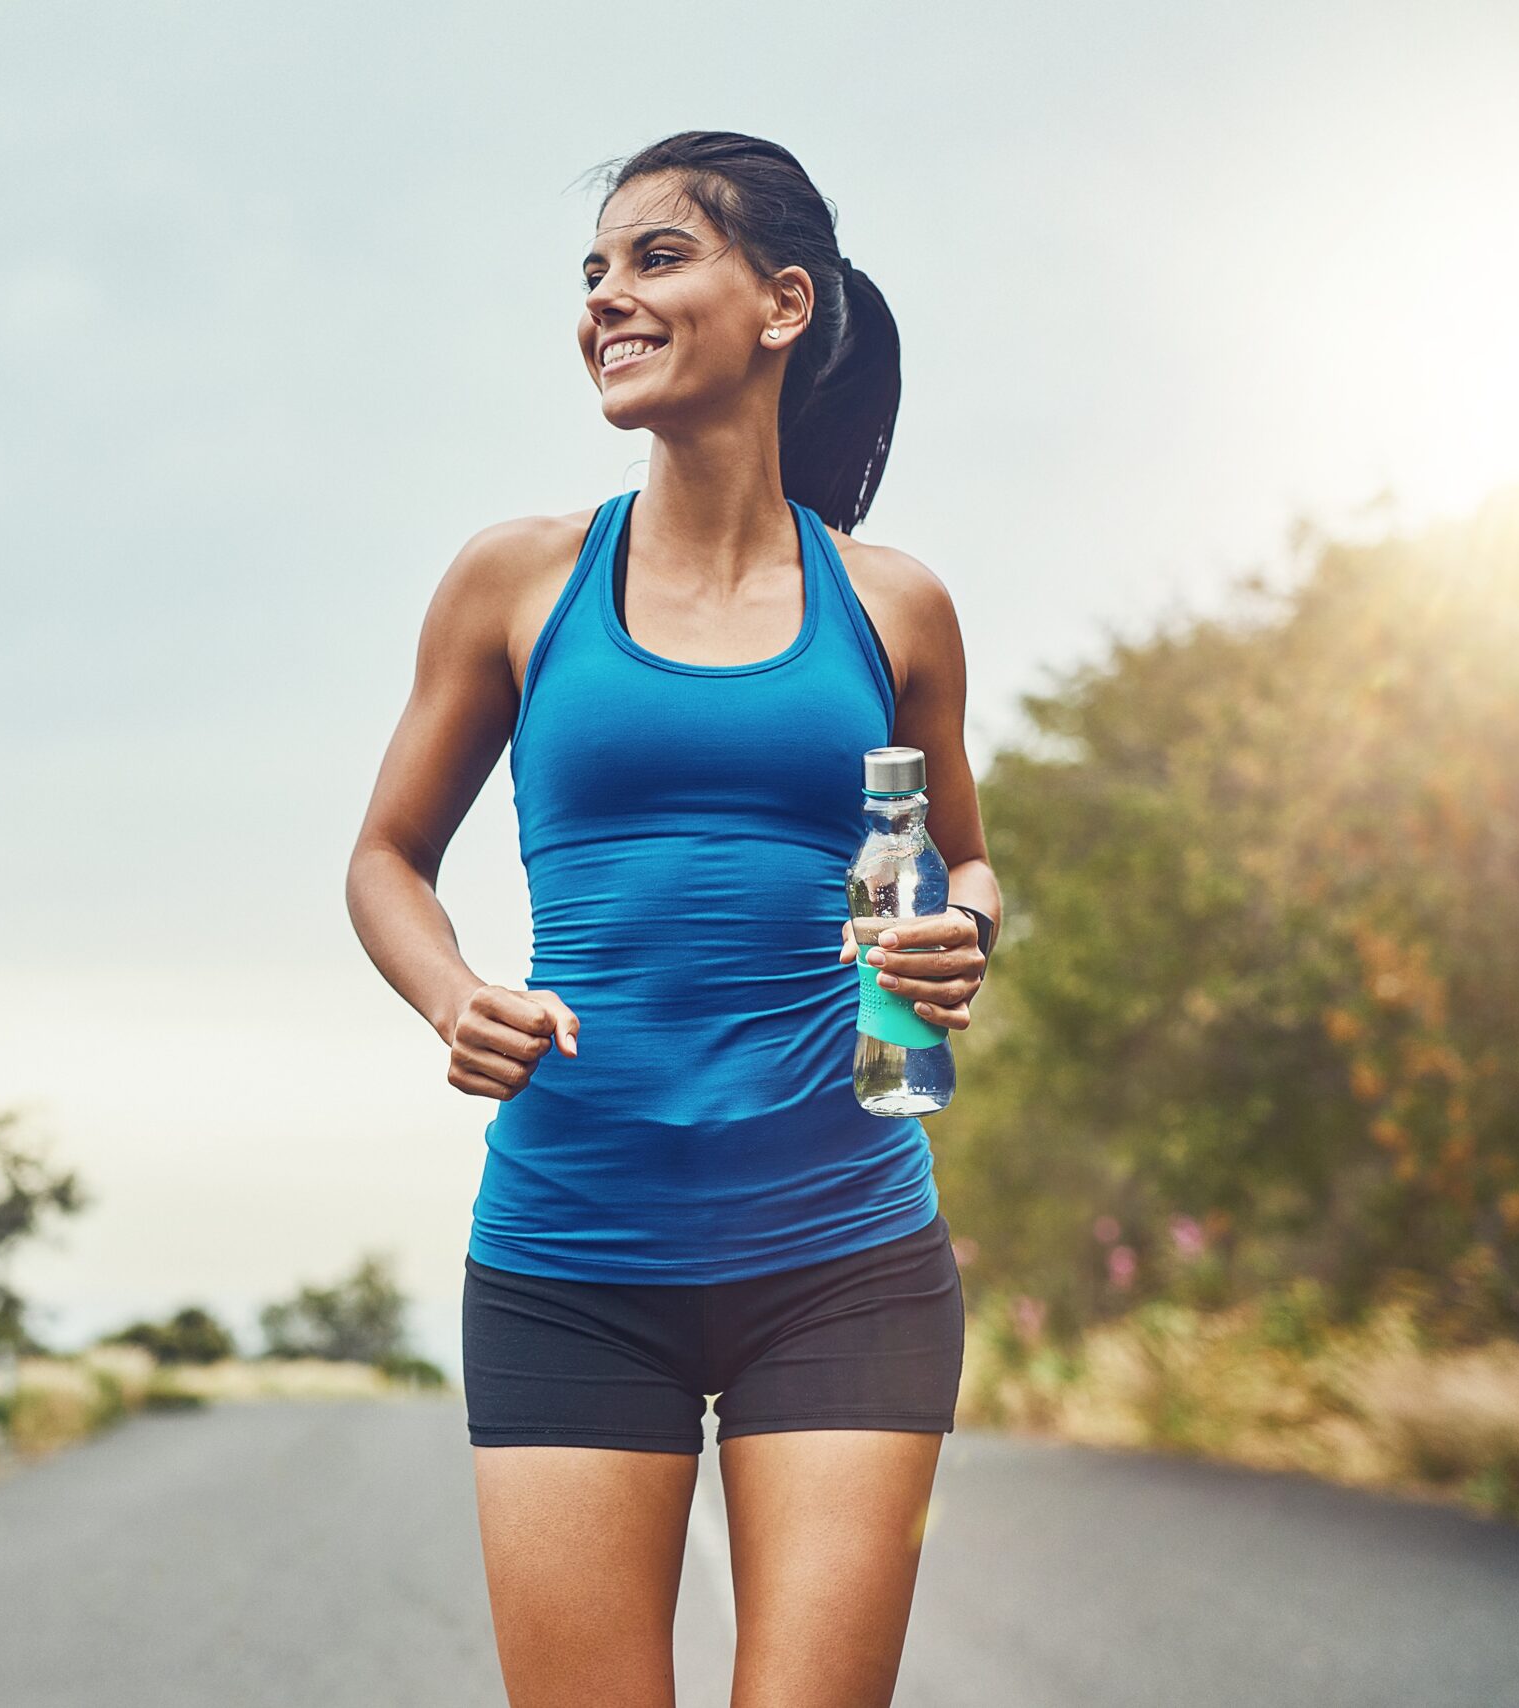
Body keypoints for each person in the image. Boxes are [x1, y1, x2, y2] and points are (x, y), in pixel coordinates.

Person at [344, 129, 1002, 1708]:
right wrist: (453, 997)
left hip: (845, 1251)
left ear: (782, 304)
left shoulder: (892, 605)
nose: (606, 300)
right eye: (592, 272)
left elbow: (971, 863)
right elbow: (384, 857)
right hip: (573, 1251)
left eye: (653, 257)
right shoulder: (517, 582)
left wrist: (964, 932)